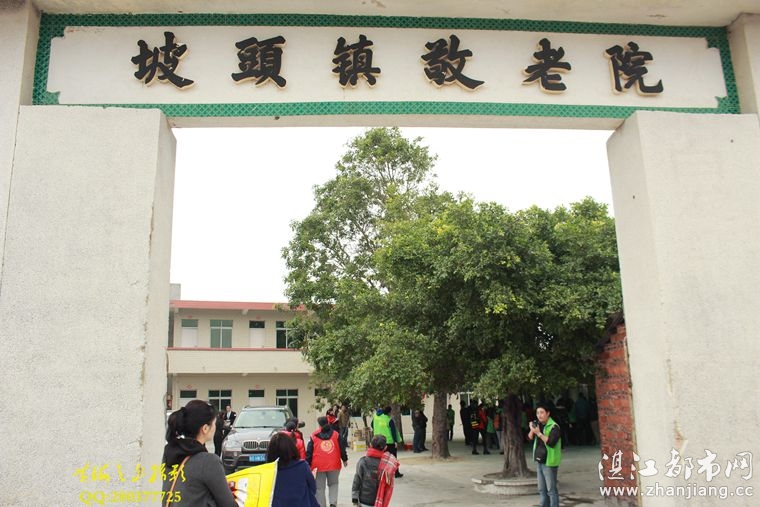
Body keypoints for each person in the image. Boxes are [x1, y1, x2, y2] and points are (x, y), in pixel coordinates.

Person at [161, 400, 236, 507]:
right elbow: (228, 504)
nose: (215, 427)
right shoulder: (209, 461)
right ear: (205, 428)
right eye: (214, 423)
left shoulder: (169, 453)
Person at [267, 432, 320, 507]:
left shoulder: (269, 471)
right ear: (291, 448)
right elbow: (313, 489)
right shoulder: (302, 466)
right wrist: (312, 478)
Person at [306, 416, 348, 507]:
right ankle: (333, 503)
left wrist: (307, 464)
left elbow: (309, 452)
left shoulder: (313, 435)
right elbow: (342, 448)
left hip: (318, 465)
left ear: (319, 425)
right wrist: (344, 459)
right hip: (334, 463)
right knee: (333, 484)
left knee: (319, 488)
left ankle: (321, 505)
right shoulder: (336, 434)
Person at [528, 402, 562, 507]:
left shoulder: (554, 427)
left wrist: (539, 433)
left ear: (548, 413)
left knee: (551, 490)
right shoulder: (538, 425)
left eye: (542, 412)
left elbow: (551, 442)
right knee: (542, 489)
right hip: (540, 460)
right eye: (537, 413)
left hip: (550, 461)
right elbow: (530, 438)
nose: (539, 415)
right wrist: (532, 430)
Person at [351, 435, 400, 507]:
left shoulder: (363, 461)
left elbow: (357, 480)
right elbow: (388, 485)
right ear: (385, 448)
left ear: (370, 445)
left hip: (364, 500)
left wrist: (354, 499)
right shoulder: (388, 464)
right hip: (380, 501)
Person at [372, 406, 404, 478]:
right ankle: (396, 473)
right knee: (392, 458)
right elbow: (393, 432)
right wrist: (395, 441)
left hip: (377, 440)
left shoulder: (376, 417)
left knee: (380, 458)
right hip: (389, 442)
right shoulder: (389, 420)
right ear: (389, 412)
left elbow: (372, 425)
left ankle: (380, 473)